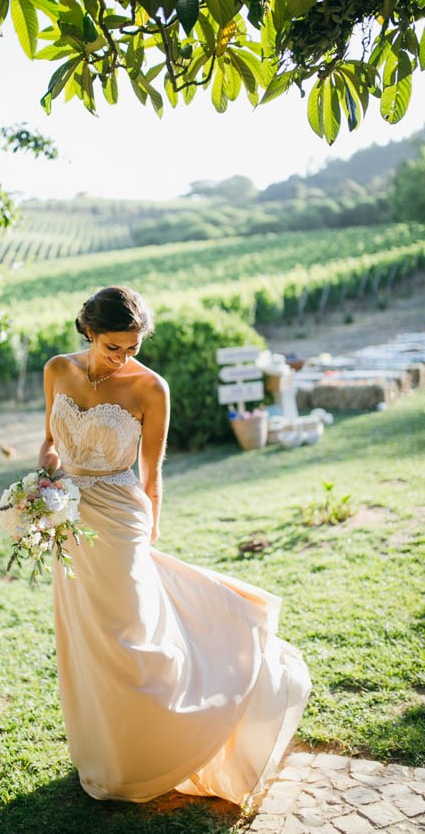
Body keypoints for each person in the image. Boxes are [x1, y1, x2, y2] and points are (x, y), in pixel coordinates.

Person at [38, 285, 311, 807]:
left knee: (134, 639)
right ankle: (112, 755)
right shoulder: (56, 370)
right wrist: (40, 488)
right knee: (88, 639)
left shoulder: (151, 388)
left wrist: (149, 530)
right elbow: (50, 442)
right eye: (114, 347)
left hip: (120, 520)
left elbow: (152, 470)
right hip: (68, 520)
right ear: (91, 332)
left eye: (133, 348)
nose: (124, 358)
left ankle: (173, 739)